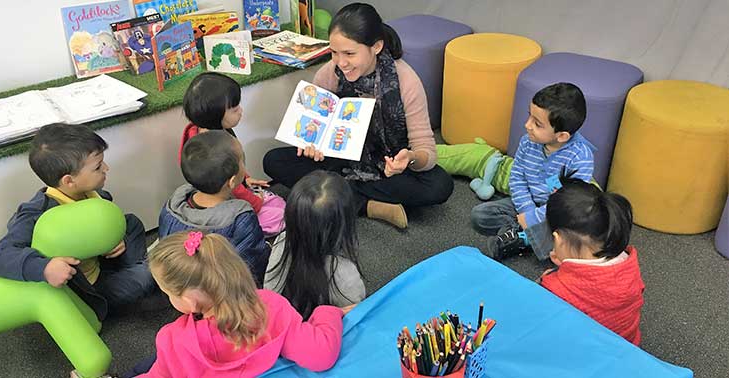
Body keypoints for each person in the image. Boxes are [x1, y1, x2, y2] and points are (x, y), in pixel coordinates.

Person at [263, 3, 453, 229]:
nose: (341, 63)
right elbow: (314, 126)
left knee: (439, 185)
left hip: (388, 163)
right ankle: (368, 204)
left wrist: (410, 158)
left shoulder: (406, 80)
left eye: (350, 53)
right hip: (341, 157)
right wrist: (311, 144)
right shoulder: (328, 73)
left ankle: (337, 196)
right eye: (334, 52)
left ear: (376, 47)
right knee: (274, 160)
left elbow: (426, 150)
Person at [0, 123, 154, 321]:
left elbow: (98, 227)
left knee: (131, 223)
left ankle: (135, 274)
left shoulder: (91, 193)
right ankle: (137, 284)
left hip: (100, 264)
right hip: (87, 290)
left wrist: (114, 241)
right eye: (98, 167)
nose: (106, 168)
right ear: (69, 181)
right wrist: (45, 268)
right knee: (148, 275)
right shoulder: (36, 213)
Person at [128, 231, 346, 377]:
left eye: (168, 293)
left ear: (189, 301)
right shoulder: (271, 306)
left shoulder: (174, 340)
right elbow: (321, 355)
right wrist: (327, 312)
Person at [471, 82, 596, 261]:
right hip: (526, 204)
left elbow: (569, 204)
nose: (527, 125)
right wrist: (527, 211)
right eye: (529, 116)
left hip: (557, 212)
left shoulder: (579, 157)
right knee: (480, 215)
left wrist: (533, 218)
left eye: (537, 124)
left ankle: (521, 238)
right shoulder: (527, 142)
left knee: (573, 235)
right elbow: (517, 178)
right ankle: (526, 238)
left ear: (561, 136)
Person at [540, 178, 645, 345]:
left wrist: (548, 279)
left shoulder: (554, 288)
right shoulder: (628, 262)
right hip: (628, 348)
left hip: (584, 359)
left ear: (558, 240)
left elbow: (547, 325)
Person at [182, 72, 285, 236]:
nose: (241, 111)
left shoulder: (202, 132)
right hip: (225, 201)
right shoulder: (217, 149)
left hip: (230, 190)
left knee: (277, 203)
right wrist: (256, 203)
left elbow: (234, 168)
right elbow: (234, 188)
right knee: (279, 214)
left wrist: (245, 177)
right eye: (235, 109)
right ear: (216, 115)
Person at [159, 130, 269, 285]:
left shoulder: (172, 206)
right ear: (231, 182)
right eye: (242, 161)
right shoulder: (240, 216)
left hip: (184, 284)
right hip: (226, 290)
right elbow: (253, 261)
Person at [264, 171, 365, 319]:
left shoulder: (281, 242)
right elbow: (354, 314)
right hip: (327, 335)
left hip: (283, 323)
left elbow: (270, 294)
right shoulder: (344, 274)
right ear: (345, 223)